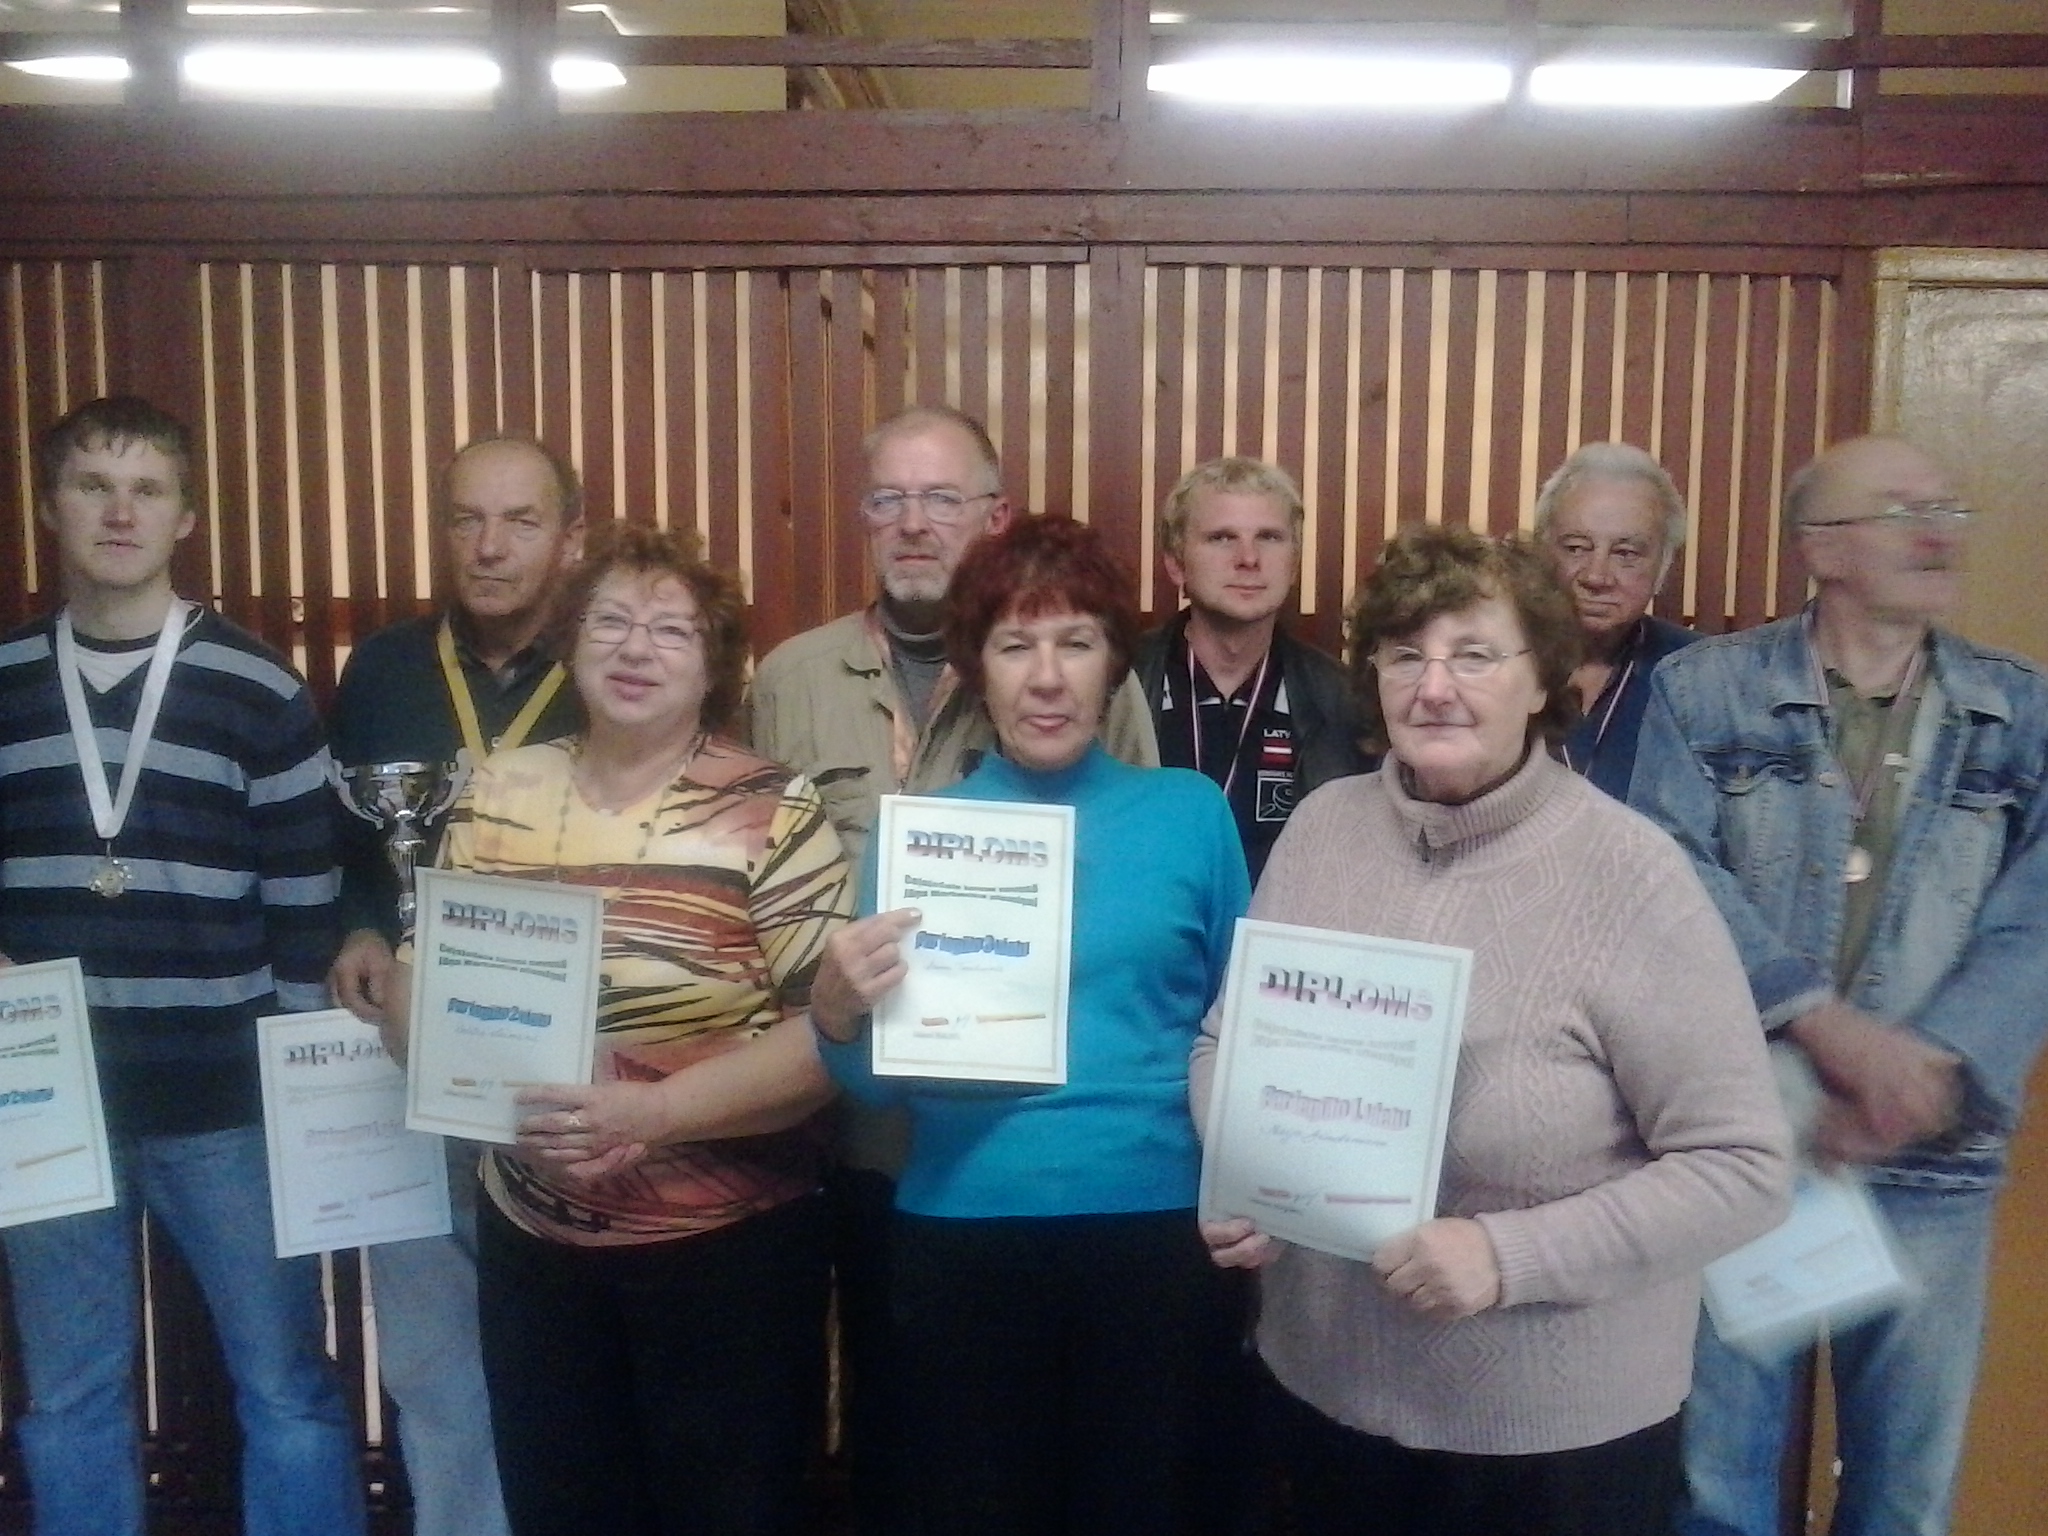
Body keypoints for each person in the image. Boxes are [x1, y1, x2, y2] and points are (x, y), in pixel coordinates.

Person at [1198, 524, 1790, 1536]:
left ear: (1541, 677)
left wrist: (1507, 1255)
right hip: (1324, 1397)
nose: (1434, 688)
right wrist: (1245, 1166)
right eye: (1404, 655)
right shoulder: (1322, 828)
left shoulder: (1632, 875)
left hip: (1549, 1447)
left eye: (1473, 654)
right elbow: (1225, 1043)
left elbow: (1743, 1168)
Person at [391, 519, 852, 1536]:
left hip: (726, 1251)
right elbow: (424, 985)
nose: (636, 648)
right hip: (535, 1242)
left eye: (671, 630)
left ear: (715, 666)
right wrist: (465, 1083)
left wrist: (654, 1114)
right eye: (610, 621)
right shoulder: (497, 791)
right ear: (570, 640)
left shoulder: (773, 809)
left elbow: (825, 1038)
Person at [746, 403, 1157, 1533]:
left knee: (1039, 1452)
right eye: (889, 499)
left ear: (995, 514)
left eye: (942, 499)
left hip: (1024, 1142)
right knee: (892, 1435)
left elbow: (1132, 865)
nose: (914, 524)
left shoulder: (1081, 675)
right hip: (847, 1129)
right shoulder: (791, 679)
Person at [1628, 435, 2048, 1536]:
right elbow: (1672, 876)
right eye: (1903, 511)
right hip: (1749, 1137)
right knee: (1716, 1483)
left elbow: (2034, 921)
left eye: (1948, 509)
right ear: (1820, 547)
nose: (1937, 533)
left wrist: (1929, 1068)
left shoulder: (2023, 709)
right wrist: (1823, 1029)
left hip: (1932, 1149)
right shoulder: (1706, 690)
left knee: (1903, 1498)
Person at [810, 514, 1250, 1536]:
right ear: (977, 668)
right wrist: (832, 1012)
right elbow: (875, 1083)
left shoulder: (1189, 813)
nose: (1046, 678)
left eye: (1075, 642)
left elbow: (1240, 1028)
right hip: (963, 1236)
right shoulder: (921, 838)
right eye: (1015, 645)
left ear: (1112, 664)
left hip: (1156, 1239)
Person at [0, 396, 364, 1536]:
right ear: (50, 508)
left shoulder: (258, 686)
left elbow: (304, 904)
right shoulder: (2, 680)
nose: (120, 512)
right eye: (94, 486)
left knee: (285, 1387)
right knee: (69, 1397)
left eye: (147, 490)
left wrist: (299, 1101)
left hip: (229, 1108)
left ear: (185, 517)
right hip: (49, 1109)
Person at [327, 433, 586, 1536]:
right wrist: (358, 926)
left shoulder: (615, 665)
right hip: (412, 1053)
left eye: (521, 521)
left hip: (567, 1064)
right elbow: (348, 847)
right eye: (466, 519)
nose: (489, 547)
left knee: (567, 1360)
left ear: (569, 539)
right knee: (432, 1364)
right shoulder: (383, 671)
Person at [1132, 456, 1366, 881]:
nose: (1248, 558)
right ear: (1176, 563)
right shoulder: (1118, 683)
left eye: (1269, 537)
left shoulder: (1346, 700)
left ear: (1294, 563)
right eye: (1222, 538)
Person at [1532, 442, 1697, 799]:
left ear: (1663, 567)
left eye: (1625, 553)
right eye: (1576, 548)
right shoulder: (1483, 661)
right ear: (1540, 551)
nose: (1596, 576)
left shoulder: (1701, 674)